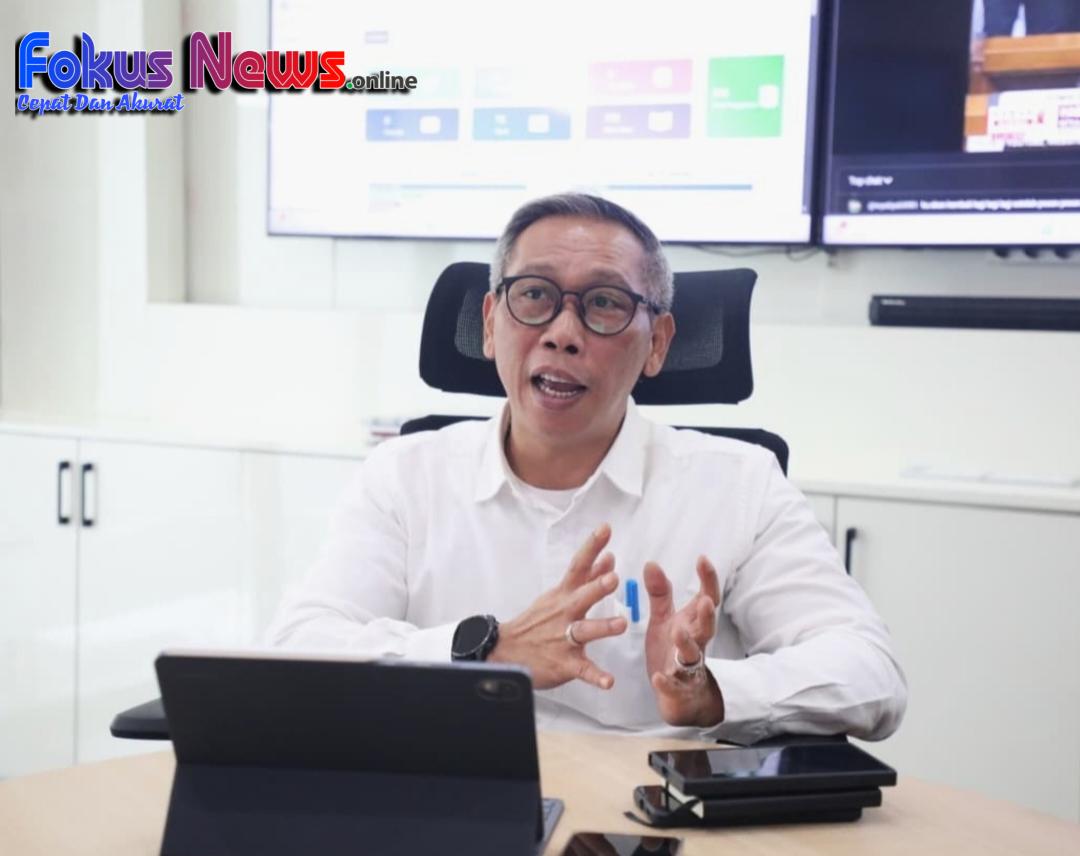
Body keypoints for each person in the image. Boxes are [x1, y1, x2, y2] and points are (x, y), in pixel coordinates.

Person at [267, 193, 907, 743]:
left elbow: (870, 673)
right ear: (490, 325)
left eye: (603, 303)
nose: (563, 333)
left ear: (657, 343)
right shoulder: (405, 475)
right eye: (534, 295)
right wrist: (483, 650)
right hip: (457, 803)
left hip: (656, 811)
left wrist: (712, 691)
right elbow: (299, 648)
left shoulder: (741, 484)